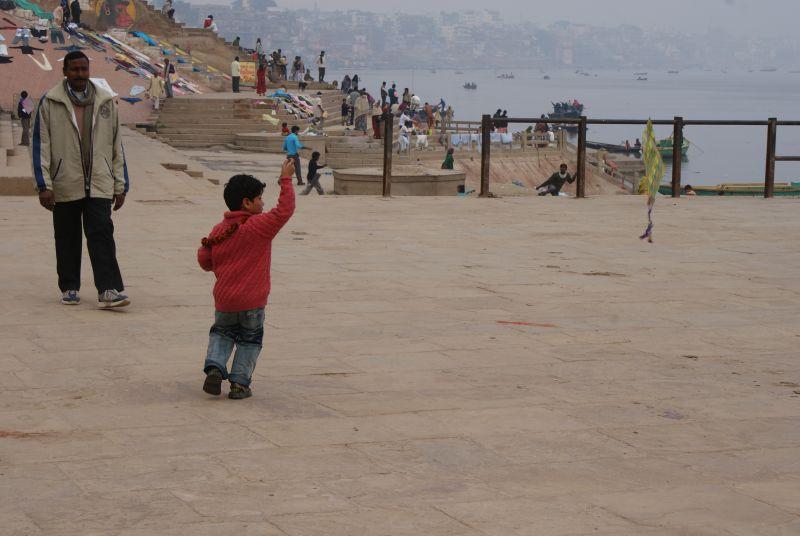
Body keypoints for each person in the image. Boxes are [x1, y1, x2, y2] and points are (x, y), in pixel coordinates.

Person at [32, 50, 130, 308]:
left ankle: (108, 289)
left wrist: (120, 185)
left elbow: (116, 146)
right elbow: (40, 145)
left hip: (99, 182)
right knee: (67, 236)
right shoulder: (50, 102)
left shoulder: (107, 102)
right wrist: (44, 185)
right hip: (65, 181)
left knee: (102, 234)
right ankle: (69, 287)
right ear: (65, 72)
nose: (79, 75)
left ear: (89, 71)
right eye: (74, 70)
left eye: (83, 69)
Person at [198, 159, 296, 400]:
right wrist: (286, 179)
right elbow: (284, 211)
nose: (263, 203)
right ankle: (239, 384)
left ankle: (214, 366)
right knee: (249, 341)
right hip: (252, 301)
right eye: (260, 198)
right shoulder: (258, 226)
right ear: (247, 202)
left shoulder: (220, 229)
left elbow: (204, 259)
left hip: (225, 301)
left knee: (222, 334)